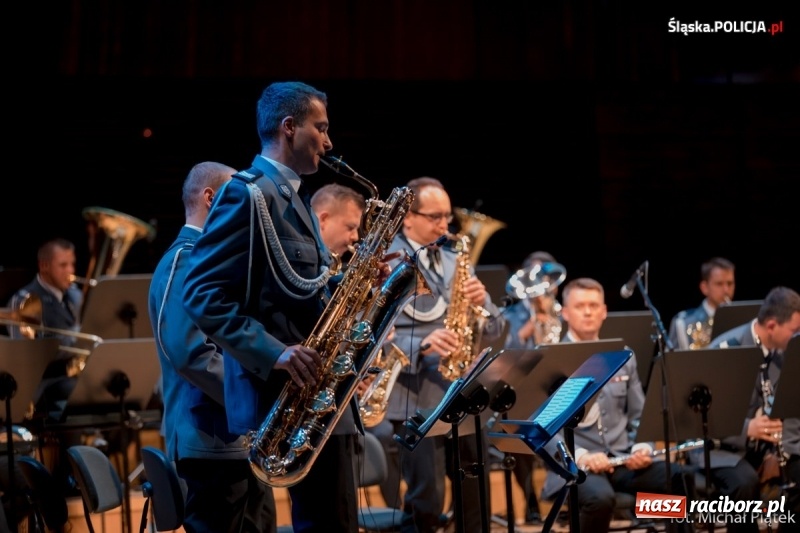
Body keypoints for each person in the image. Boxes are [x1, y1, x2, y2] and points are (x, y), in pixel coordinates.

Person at [182, 81, 388, 533]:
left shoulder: (292, 196)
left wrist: (355, 283)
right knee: (326, 523)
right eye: (322, 127)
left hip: (320, 392)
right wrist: (273, 352)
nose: (330, 142)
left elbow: (300, 287)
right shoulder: (248, 193)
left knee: (337, 521)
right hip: (292, 397)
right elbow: (198, 292)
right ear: (289, 127)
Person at [148, 161, 278, 533]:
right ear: (210, 198)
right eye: (236, 199)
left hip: (236, 440)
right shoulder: (186, 258)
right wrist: (257, 397)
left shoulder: (208, 259)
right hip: (210, 442)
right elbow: (189, 351)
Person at [384, 176, 507, 533]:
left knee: (474, 489)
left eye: (447, 217)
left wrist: (483, 302)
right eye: (435, 216)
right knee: (427, 498)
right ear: (408, 217)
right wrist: (420, 345)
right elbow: (368, 334)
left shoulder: (456, 262)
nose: (444, 225)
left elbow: (496, 329)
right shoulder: (388, 260)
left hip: (462, 393)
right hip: (415, 394)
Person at [541, 277, 696, 533]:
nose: (588, 311)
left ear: (604, 311)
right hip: (574, 467)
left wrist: (642, 447)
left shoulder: (623, 355)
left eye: (594, 305)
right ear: (565, 313)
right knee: (601, 499)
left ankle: (651, 513)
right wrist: (583, 457)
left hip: (622, 462)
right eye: (580, 306)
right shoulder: (552, 358)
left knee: (679, 477)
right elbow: (545, 428)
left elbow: (639, 415)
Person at [708, 286, 800, 530]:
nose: (797, 336)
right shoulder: (725, 351)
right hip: (723, 448)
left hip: (767, 448)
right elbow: (704, 418)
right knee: (744, 482)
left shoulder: (783, 354)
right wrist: (748, 428)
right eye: (794, 330)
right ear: (772, 326)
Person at [500, 249, 565, 525]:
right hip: (522, 391)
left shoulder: (560, 311)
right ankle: (530, 502)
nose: (543, 286)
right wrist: (531, 326)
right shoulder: (510, 313)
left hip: (555, 386)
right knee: (519, 432)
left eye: (546, 279)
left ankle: (564, 495)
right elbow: (505, 355)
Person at [6, 238, 85, 418]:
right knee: (84, 389)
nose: (71, 271)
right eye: (63, 265)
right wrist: (75, 340)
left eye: (72, 264)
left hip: (71, 376)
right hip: (45, 383)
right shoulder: (24, 300)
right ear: (44, 266)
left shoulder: (76, 295)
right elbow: (24, 360)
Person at [668, 257, 736, 351]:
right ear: (704, 288)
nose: (726, 290)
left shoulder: (741, 320)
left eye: (730, 283)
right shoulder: (683, 322)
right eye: (719, 284)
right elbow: (672, 362)